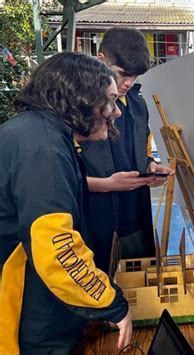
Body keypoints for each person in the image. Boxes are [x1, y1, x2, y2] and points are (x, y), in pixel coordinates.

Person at [0, 52, 131, 353]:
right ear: (80, 98)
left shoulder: (37, 134)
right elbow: (58, 252)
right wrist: (112, 304)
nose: (116, 112)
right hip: (28, 321)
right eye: (110, 101)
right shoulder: (44, 151)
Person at [81, 27, 174, 272]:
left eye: (135, 76)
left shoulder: (138, 105)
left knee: (141, 287)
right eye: (122, 74)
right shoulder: (76, 109)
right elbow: (60, 176)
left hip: (134, 219)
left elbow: (138, 154)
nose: (128, 83)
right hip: (92, 223)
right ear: (100, 60)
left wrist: (149, 167)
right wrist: (107, 184)